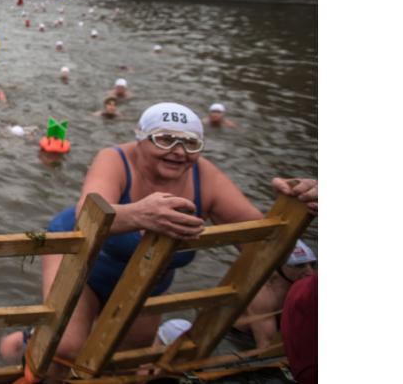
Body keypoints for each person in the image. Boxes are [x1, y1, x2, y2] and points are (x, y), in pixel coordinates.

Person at [35, 102, 317, 377]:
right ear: (141, 139)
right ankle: (24, 352)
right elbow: (89, 214)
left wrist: (294, 206)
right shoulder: (114, 158)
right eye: (165, 139)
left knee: (126, 361)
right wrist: (139, 214)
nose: (178, 152)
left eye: (191, 144)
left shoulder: (204, 176)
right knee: (65, 348)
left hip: (148, 280)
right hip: (81, 260)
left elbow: (261, 241)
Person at [229, 240, 316, 349]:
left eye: (313, 265)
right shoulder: (262, 295)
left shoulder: (307, 283)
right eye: (299, 266)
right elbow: (266, 346)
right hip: (243, 337)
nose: (310, 272)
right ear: (279, 266)